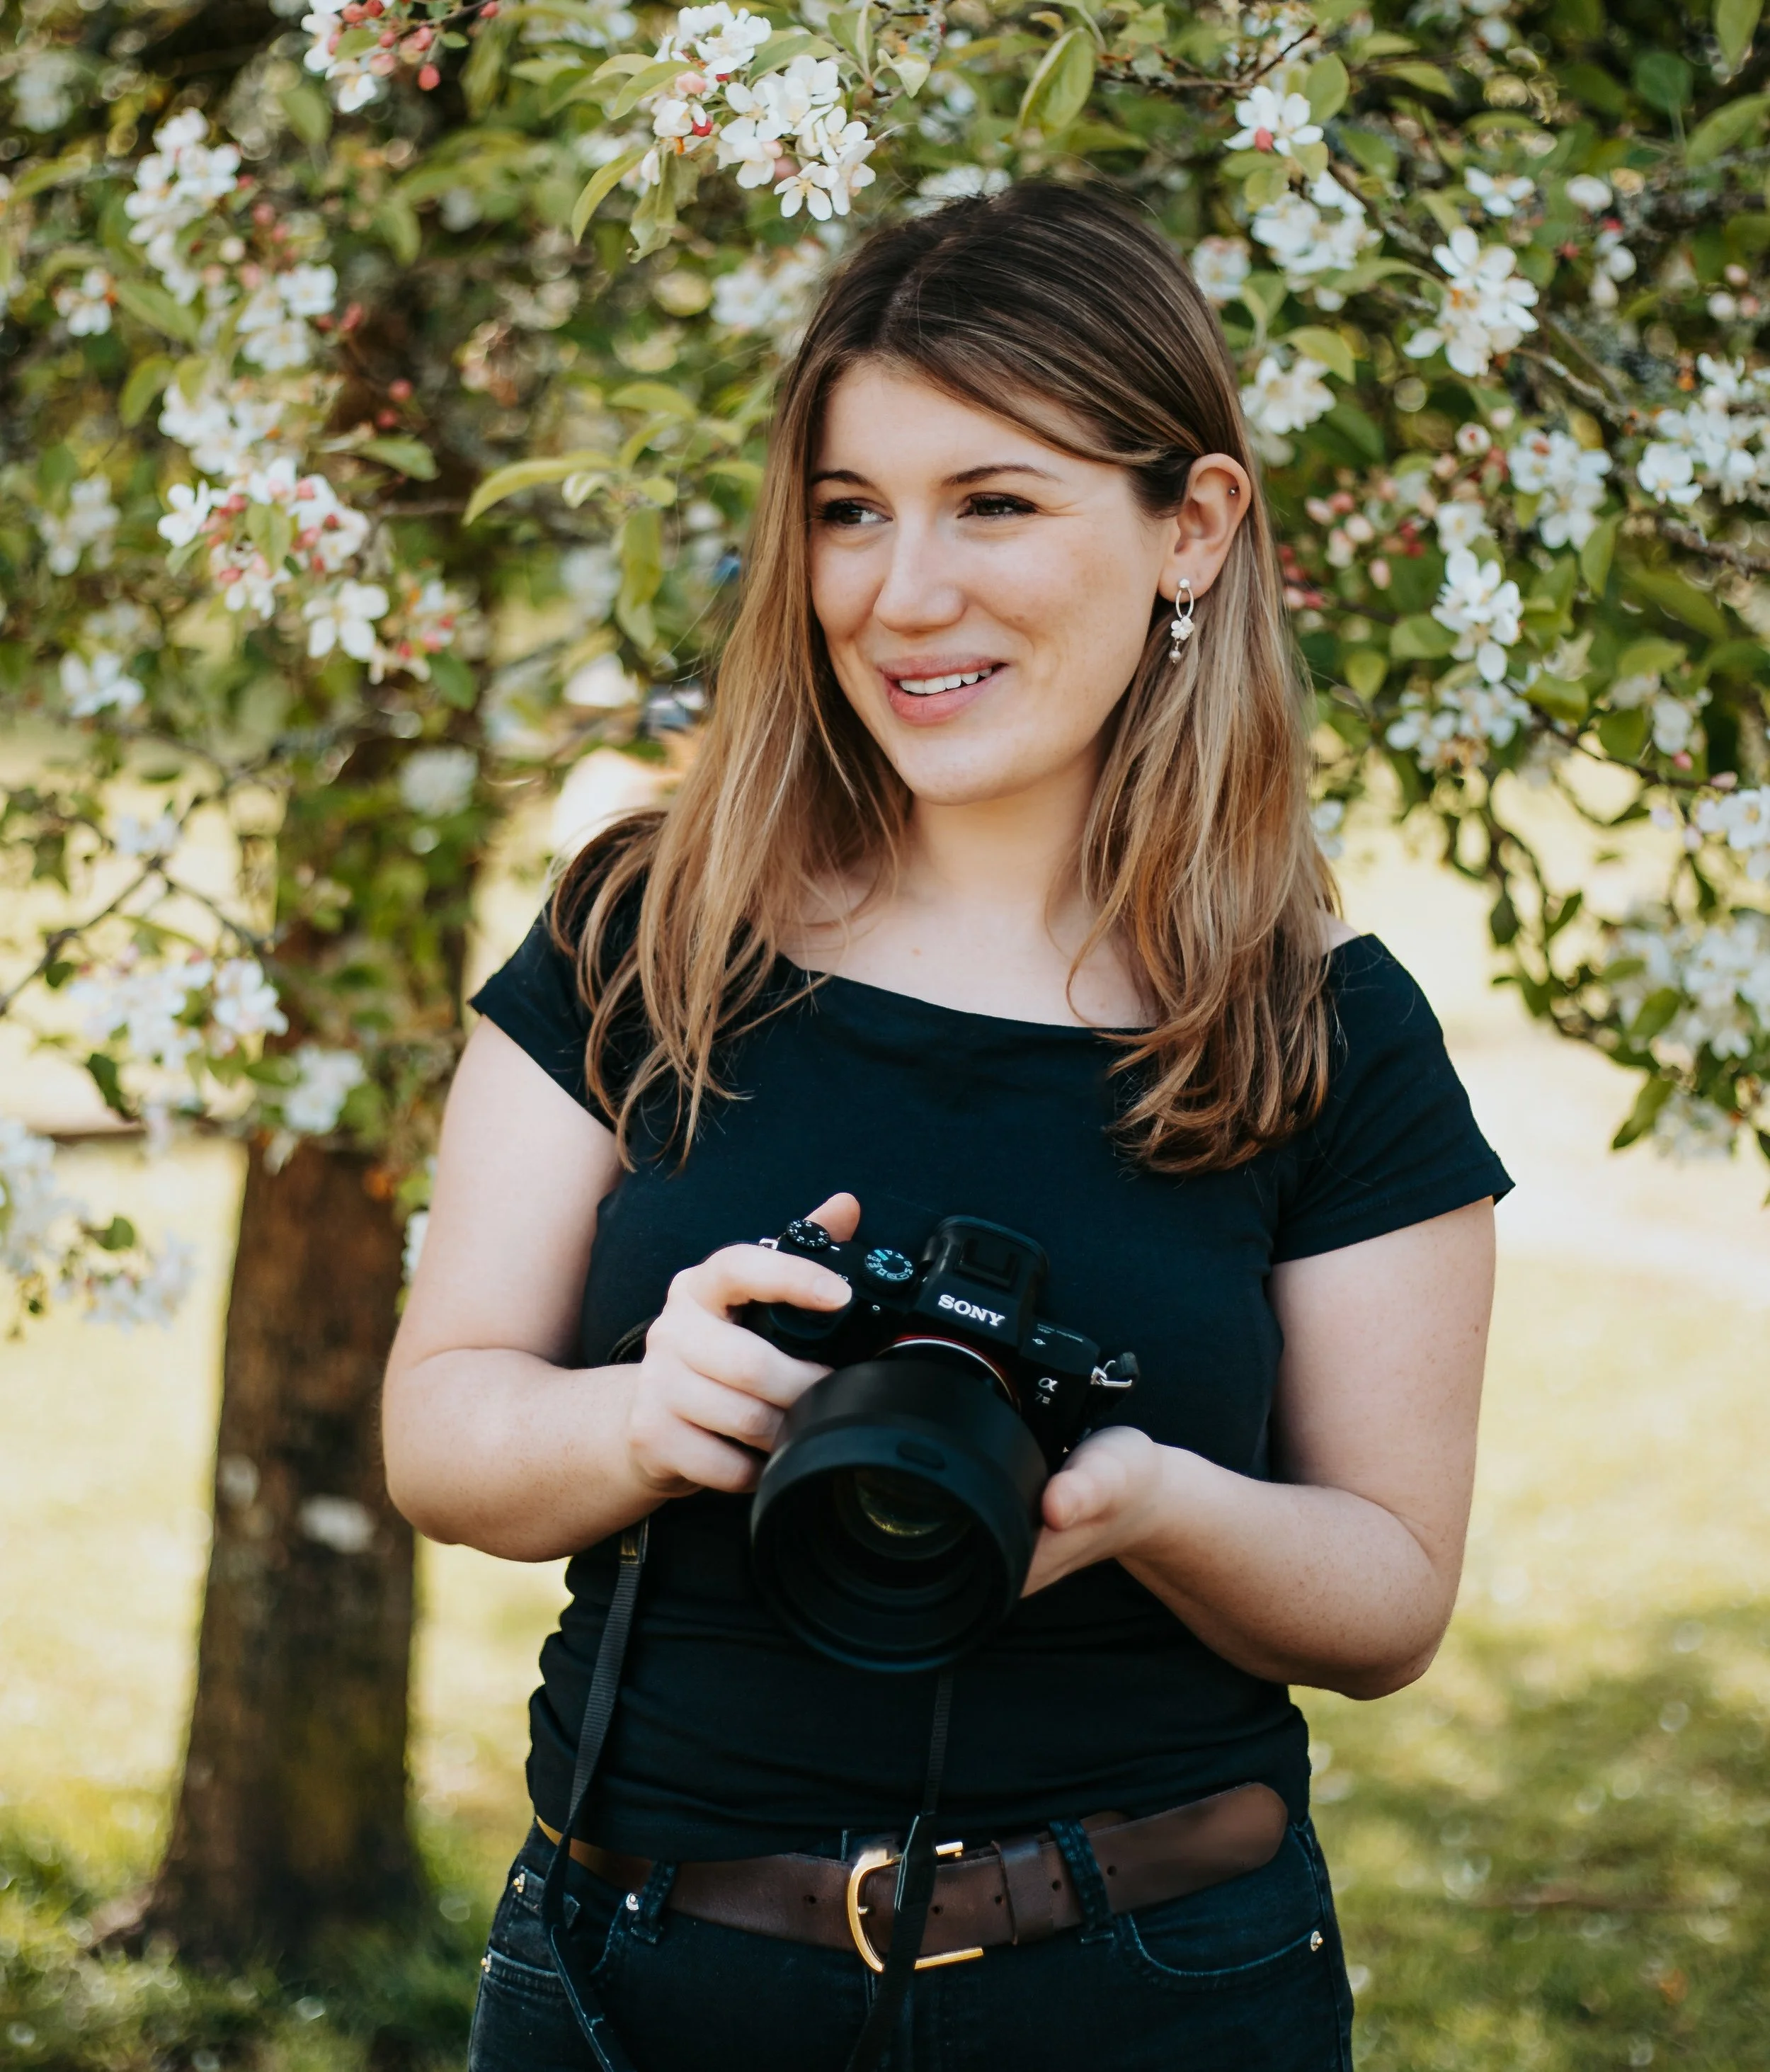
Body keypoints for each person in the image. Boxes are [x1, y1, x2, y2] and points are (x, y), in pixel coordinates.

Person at [382, 182, 1512, 2072]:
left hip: (1153, 1991)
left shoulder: (1322, 1030)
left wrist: (1145, 1501)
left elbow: (1388, 1596)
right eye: (850, 510)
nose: (901, 593)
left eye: (993, 502)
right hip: (635, 1982)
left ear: (1191, 526)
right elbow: (440, 1429)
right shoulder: (646, 931)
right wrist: (642, 1416)